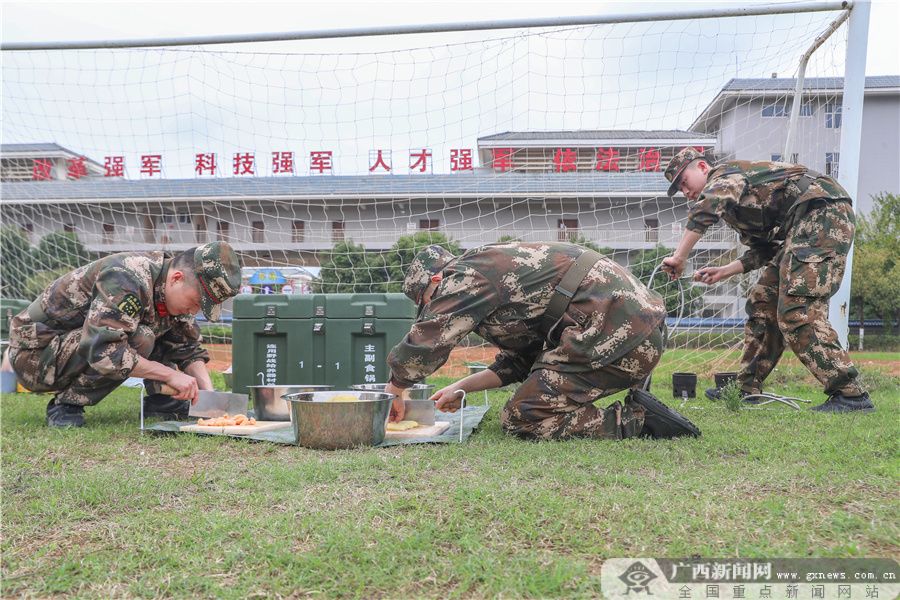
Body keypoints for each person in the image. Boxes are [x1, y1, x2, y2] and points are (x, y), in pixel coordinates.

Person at [384, 243, 700, 441]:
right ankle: (634, 399)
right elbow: (522, 361)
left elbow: (427, 340)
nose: (433, 308)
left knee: (523, 417)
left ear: (437, 281)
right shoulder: (490, 275)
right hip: (632, 332)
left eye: (428, 300)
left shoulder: (464, 274)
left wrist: (394, 391)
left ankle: (638, 421)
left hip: (619, 334)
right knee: (533, 393)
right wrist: (459, 387)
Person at [659, 148, 873, 413]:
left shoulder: (726, 176)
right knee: (763, 302)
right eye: (679, 189)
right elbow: (766, 248)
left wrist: (680, 257)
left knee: (796, 309)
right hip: (801, 227)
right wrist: (725, 270)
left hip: (823, 213)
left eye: (684, 181)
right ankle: (747, 387)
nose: (685, 191)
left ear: (702, 167)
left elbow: (706, 209)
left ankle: (851, 394)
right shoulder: (734, 208)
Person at [7, 242, 242, 427]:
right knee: (139, 337)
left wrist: (208, 396)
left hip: (67, 346)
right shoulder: (127, 276)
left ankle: (160, 402)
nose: (195, 310)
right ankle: (67, 405)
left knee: (162, 328)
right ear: (177, 278)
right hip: (35, 356)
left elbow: (187, 347)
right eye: (196, 302)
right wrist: (170, 375)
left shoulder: (168, 288)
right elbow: (103, 350)